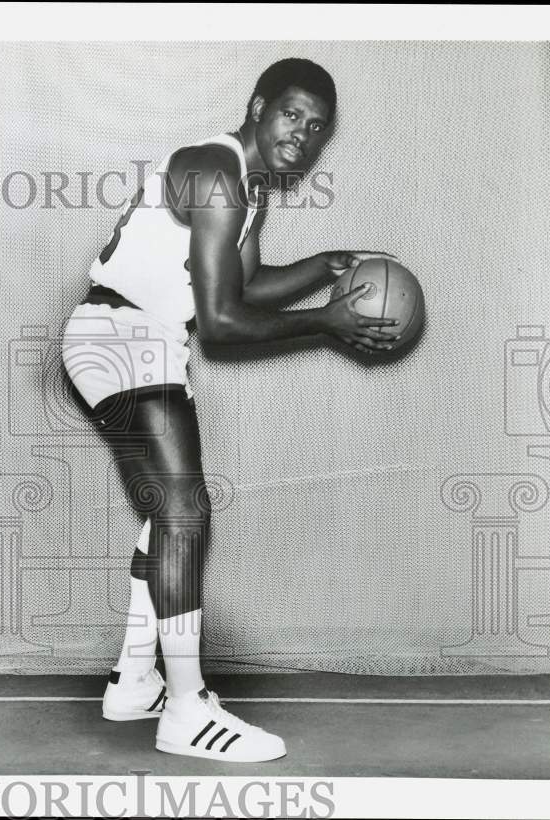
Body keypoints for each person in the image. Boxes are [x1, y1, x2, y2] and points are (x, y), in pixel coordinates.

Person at [63, 58, 398, 761]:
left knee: (167, 511)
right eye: (292, 115)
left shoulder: (247, 190)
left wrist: (323, 269)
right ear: (257, 105)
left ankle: (133, 682)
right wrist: (327, 322)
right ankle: (186, 710)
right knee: (185, 509)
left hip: (137, 338)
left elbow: (244, 283)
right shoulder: (215, 173)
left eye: (317, 128)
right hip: (123, 333)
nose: (302, 136)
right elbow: (220, 321)